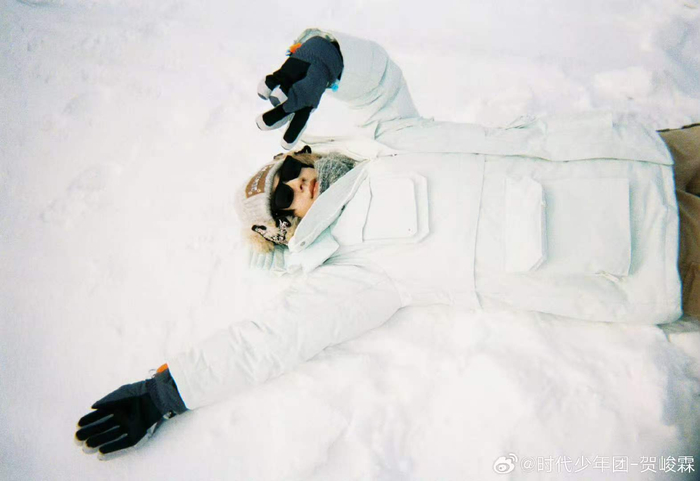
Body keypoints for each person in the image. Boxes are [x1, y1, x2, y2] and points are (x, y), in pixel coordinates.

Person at [75, 28, 695, 458]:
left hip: (644, 152)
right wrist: (167, 391)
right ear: (285, 231)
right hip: (653, 251)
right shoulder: (353, 272)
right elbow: (266, 341)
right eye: (283, 201)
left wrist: (322, 57)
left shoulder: (385, 138)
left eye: (286, 172)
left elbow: (374, 78)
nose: (296, 184)